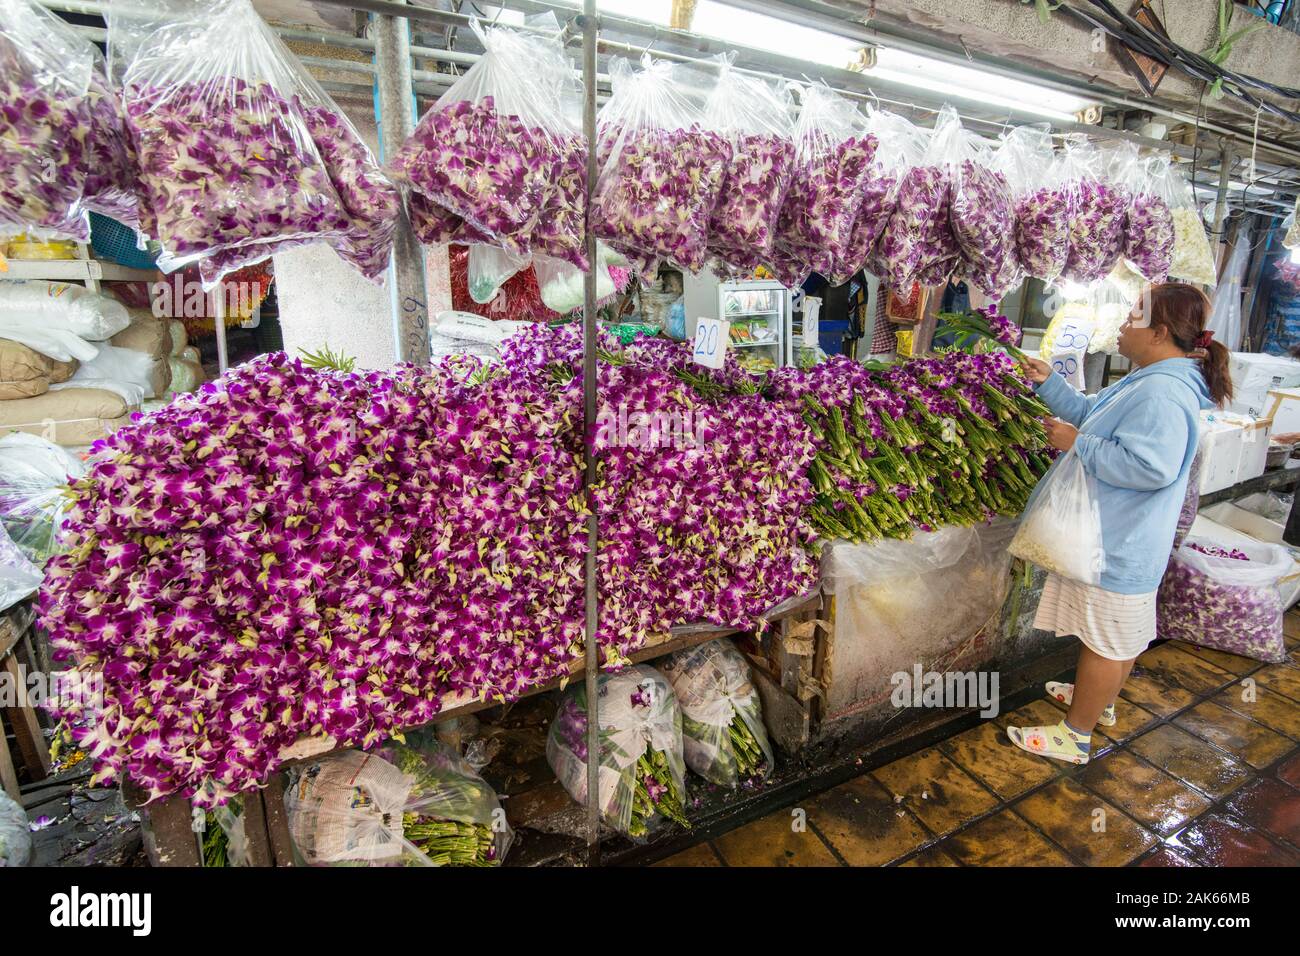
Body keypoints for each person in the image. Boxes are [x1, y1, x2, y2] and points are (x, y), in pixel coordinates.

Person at [1006, 283, 1233, 764]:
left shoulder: (1163, 393)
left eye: (1132, 317)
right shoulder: (1150, 377)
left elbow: (1151, 469)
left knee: (1108, 642)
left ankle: (1076, 735)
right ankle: (1098, 702)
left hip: (1120, 537)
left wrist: (1077, 444)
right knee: (1117, 635)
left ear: (1160, 332)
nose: (1122, 326)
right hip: (1122, 533)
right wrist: (1049, 384)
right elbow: (1094, 414)